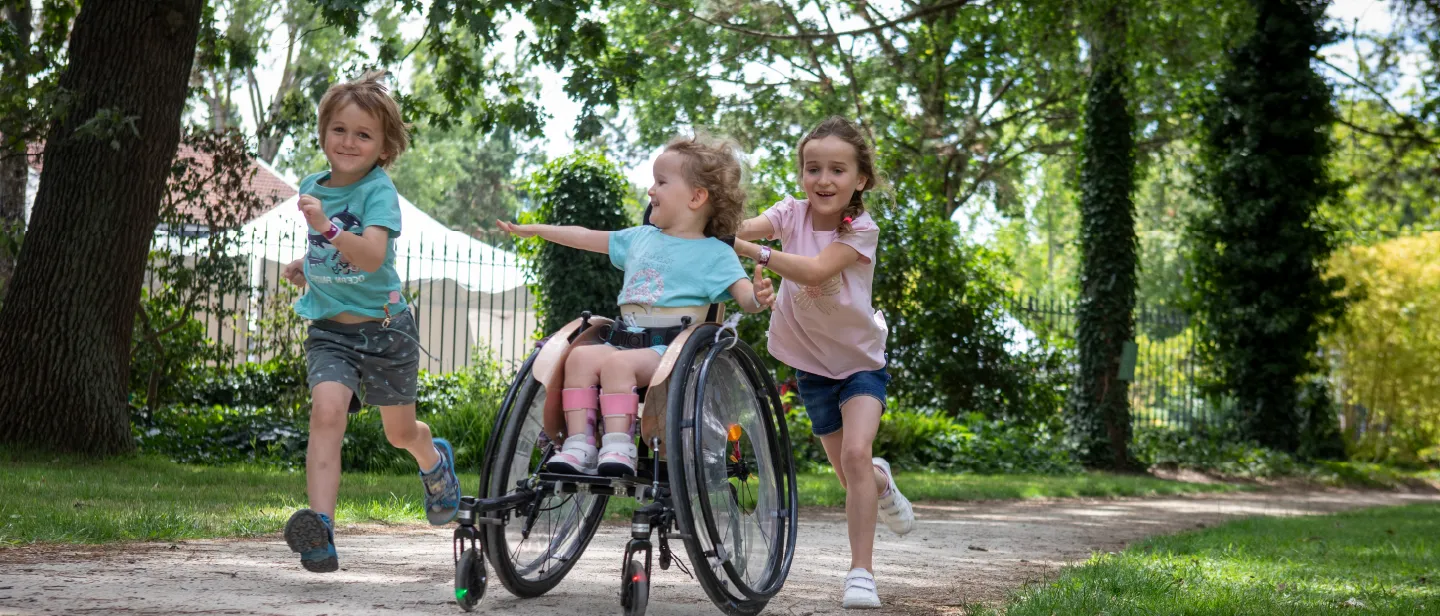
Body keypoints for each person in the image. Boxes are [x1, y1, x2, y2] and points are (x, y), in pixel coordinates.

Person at [497, 135, 773, 477]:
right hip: (623, 339)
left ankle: (619, 445)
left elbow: (745, 297)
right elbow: (584, 236)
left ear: (696, 197)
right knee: (580, 357)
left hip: (669, 351)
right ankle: (579, 445)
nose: (650, 190)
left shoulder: (715, 253)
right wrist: (537, 230)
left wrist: (758, 297)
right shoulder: (639, 238)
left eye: (661, 182)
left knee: (618, 367)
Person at [278, 71, 460, 573]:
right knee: (326, 414)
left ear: (383, 147)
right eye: (339, 129)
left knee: (399, 433)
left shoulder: (379, 191)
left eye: (363, 134)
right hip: (330, 333)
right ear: (323, 132)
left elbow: (372, 256)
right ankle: (321, 531)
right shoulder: (313, 186)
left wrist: (325, 228)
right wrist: (308, 265)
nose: (349, 141)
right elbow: (333, 253)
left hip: (386, 331)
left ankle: (433, 461)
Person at [731, 116, 915, 609]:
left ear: (861, 179)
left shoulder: (861, 230)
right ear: (802, 175)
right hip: (811, 366)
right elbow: (738, 227)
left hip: (860, 363)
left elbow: (813, 268)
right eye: (813, 168)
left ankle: (861, 574)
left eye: (837, 169)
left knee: (856, 454)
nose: (823, 180)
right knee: (852, 474)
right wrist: (706, 218)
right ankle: (883, 484)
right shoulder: (790, 214)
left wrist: (755, 253)